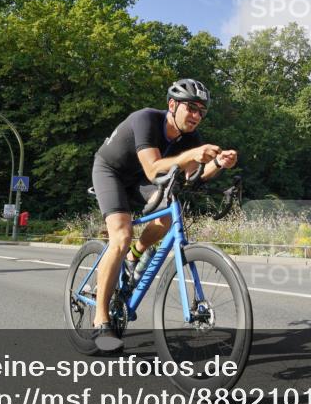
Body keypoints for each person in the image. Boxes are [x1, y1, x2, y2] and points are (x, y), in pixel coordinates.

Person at [90, 79, 238, 352]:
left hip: (140, 181)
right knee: (121, 236)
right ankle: (101, 318)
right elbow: (153, 169)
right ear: (172, 105)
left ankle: (135, 256)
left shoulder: (189, 138)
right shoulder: (146, 119)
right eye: (191, 108)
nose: (196, 116)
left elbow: (194, 178)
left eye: (201, 112)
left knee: (168, 216)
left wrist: (217, 164)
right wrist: (193, 154)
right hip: (111, 171)